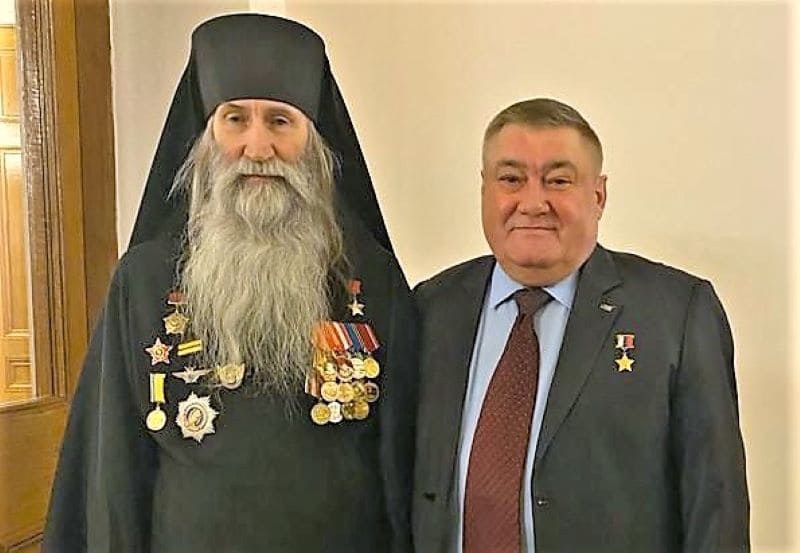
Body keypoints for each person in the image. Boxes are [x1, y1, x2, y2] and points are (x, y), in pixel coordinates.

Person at [43, 14, 416, 553]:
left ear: (316, 142)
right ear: (206, 136)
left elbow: (402, 464)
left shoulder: (371, 280)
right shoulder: (144, 281)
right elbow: (113, 468)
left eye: (280, 122)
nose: (257, 147)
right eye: (235, 119)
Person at [412, 98, 749, 552]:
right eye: (511, 179)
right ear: (485, 189)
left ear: (598, 196)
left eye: (558, 180)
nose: (533, 203)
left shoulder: (677, 313)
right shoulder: (432, 307)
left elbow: (716, 505)